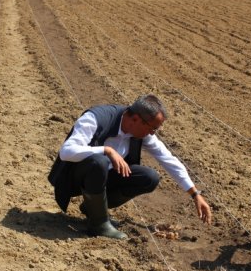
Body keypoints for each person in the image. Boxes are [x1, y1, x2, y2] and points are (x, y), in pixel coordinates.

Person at [48, 94, 212, 239]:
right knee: (100, 161)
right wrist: (107, 150)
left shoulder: (141, 132)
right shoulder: (95, 118)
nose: (153, 133)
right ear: (136, 119)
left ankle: (94, 210)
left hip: (102, 179)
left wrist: (195, 194)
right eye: (153, 128)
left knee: (149, 178)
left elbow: (168, 159)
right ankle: (99, 224)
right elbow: (67, 151)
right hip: (74, 177)